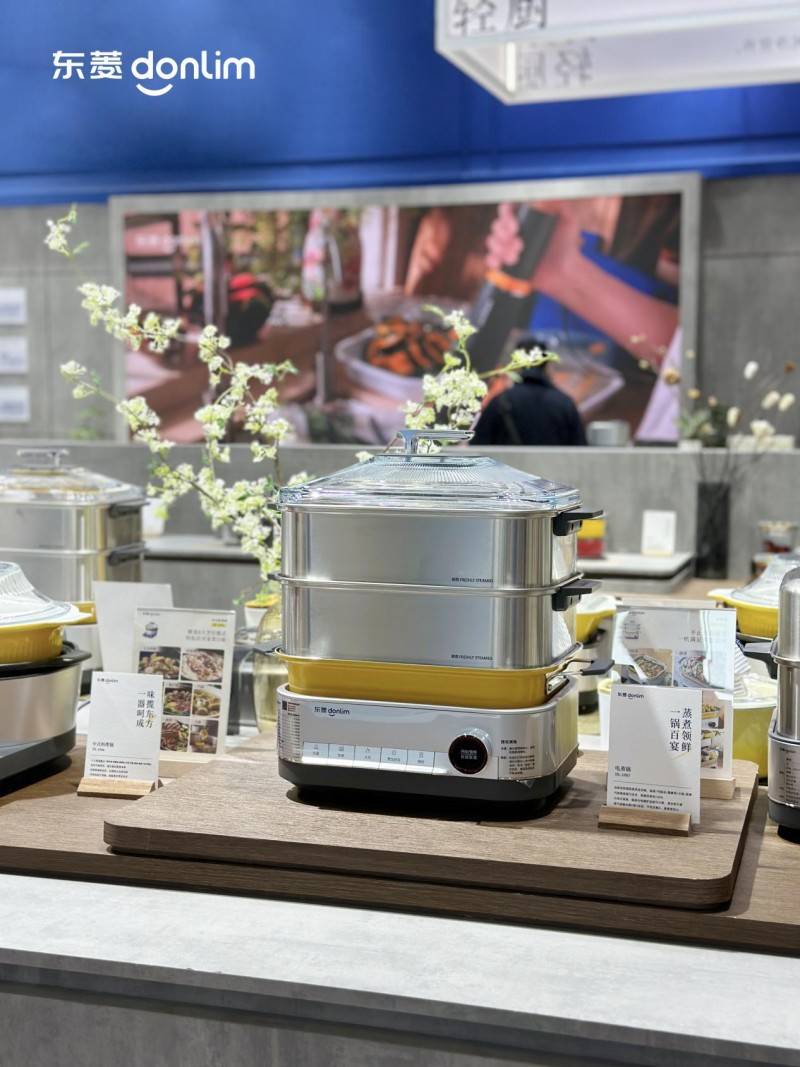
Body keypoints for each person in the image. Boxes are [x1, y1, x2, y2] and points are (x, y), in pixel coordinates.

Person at [471, 337, 587, 447]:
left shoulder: (500, 402)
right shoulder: (565, 404)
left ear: (515, 363)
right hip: (554, 463)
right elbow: (580, 451)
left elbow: (478, 447)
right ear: (545, 364)